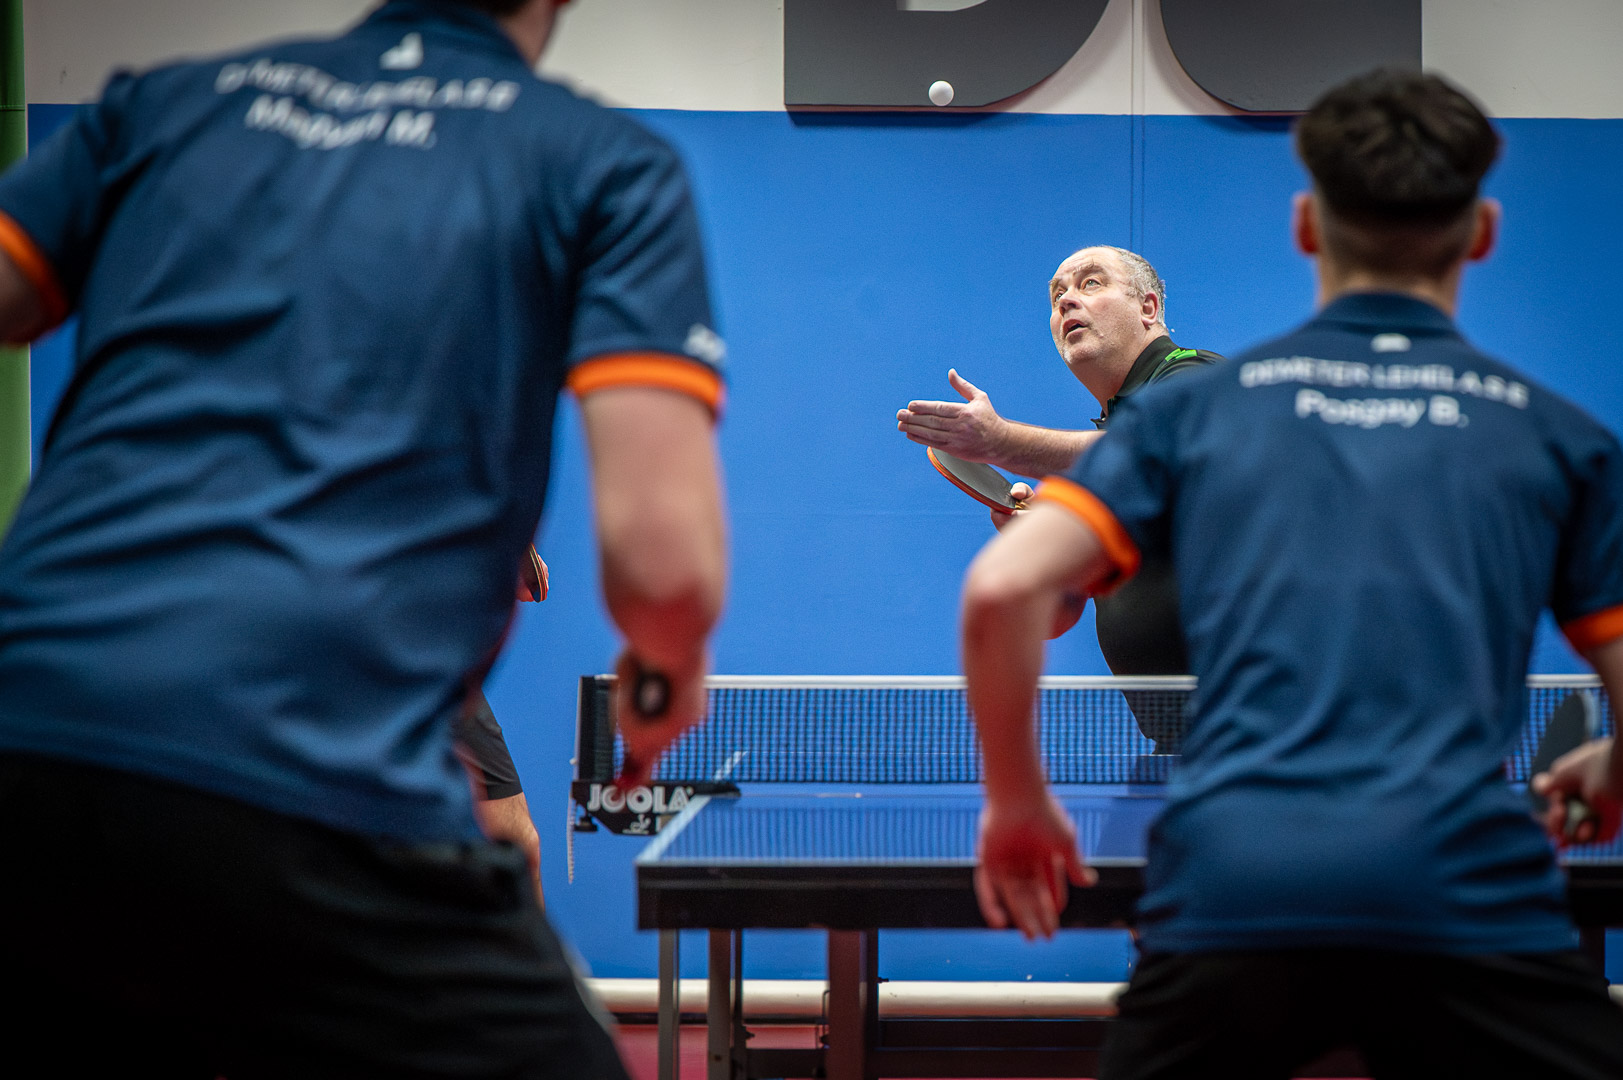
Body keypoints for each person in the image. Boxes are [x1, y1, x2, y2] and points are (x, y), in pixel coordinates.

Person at [0, 0, 727, 1076]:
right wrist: (661, 679)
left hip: (29, 733)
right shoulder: (603, 162)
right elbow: (666, 571)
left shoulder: (166, 104)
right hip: (309, 770)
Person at [960, 68, 1623, 1078]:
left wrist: (1015, 802)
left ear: (1306, 226)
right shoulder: (1557, 438)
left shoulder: (1195, 413)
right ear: (1482, 232)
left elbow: (1004, 591)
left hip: (1241, 886)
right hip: (1462, 890)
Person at [899, 247, 1220, 750]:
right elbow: (1056, 618)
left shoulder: (1196, 377)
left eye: (1091, 283)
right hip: (1180, 746)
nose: (1067, 300)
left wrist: (1001, 442)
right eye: (1057, 295)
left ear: (1148, 307)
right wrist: (1036, 554)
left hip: (1261, 738)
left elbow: (1153, 450)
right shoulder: (1103, 460)